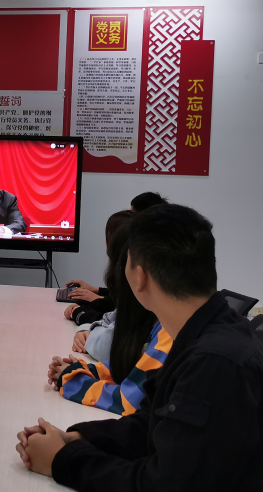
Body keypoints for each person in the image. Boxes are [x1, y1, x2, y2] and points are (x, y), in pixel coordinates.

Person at [16, 205, 263, 490]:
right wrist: (76, 439)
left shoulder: (215, 362)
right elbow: (151, 423)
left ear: (140, 276)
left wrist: (62, 460)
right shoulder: (205, 330)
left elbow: (162, 484)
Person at [48, 226, 170, 416]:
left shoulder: (168, 331)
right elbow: (135, 368)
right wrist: (86, 370)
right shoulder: (164, 320)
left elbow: (130, 401)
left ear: (139, 276)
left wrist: (74, 381)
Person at [63, 210, 134, 329]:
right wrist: (95, 293)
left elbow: (109, 322)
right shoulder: (124, 272)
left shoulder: (130, 276)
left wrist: (77, 312)